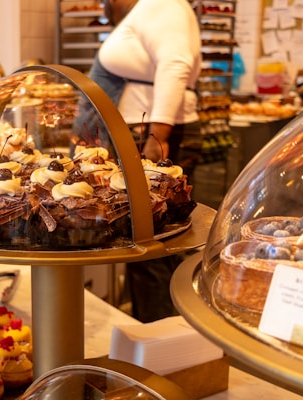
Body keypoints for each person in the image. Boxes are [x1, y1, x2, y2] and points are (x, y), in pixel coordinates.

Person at [90, 0, 202, 322]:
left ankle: (159, 338)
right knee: (147, 242)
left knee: (150, 244)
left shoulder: (163, 4)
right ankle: (157, 331)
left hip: (154, 136)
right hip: (142, 133)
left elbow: (175, 64)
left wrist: (159, 137)